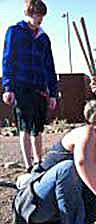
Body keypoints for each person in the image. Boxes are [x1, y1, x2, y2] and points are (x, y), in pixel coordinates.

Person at [2, 0, 58, 173]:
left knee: (38, 128)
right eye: (36, 14)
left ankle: (38, 163)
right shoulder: (15, 32)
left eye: (41, 15)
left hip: (40, 88)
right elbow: (7, 59)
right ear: (28, 13)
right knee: (24, 126)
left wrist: (53, 92)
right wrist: (8, 87)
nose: (39, 18)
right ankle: (28, 165)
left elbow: (49, 66)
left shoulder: (44, 38)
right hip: (21, 87)